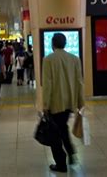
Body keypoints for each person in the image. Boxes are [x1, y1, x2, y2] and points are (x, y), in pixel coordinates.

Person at [42, 33, 85, 173]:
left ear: (52, 44)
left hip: (55, 103)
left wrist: (45, 105)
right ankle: (71, 153)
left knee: (55, 134)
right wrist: (80, 102)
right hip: (69, 102)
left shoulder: (48, 60)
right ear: (65, 43)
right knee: (62, 127)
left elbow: (47, 85)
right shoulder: (75, 59)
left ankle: (61, 164)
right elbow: (79, 82)